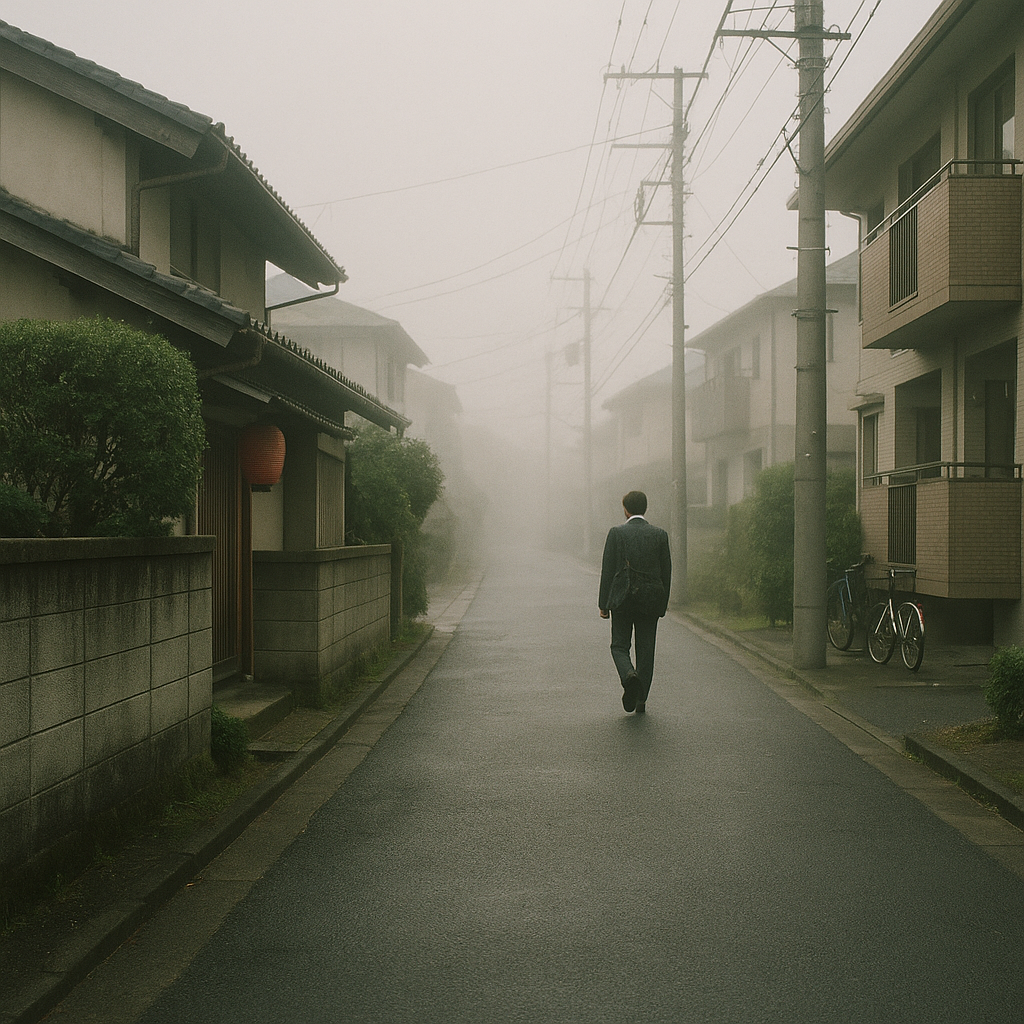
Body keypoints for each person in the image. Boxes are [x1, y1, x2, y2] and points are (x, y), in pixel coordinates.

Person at [598, 490, 672, 713]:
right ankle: (641, 700)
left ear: (625, 509)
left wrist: (603, 604)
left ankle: (629, 675)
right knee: (646, 650)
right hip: (650, 601)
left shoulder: (616, 533)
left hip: (622, 600)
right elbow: (666, 573)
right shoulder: (660, 535)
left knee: (619, 645)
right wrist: (662, 604)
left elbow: (608, 570)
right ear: (645, 508)